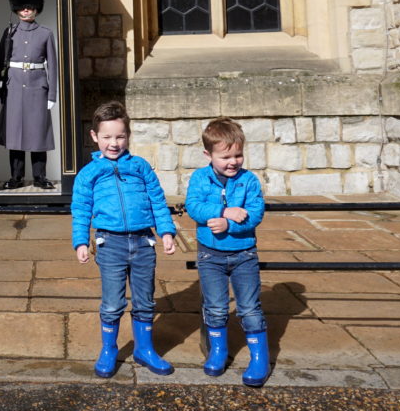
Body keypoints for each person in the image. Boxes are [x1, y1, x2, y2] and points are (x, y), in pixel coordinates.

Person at [71, 101, 177, 378]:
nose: (114, 143)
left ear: (128, 136)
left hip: (143, 242)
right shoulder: (88, 174)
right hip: (110, 244)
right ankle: (109, 349)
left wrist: (166, 231)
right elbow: (80, 210)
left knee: (145, 300)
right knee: (112, 303)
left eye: (120, 136)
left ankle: (144, 349)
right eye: (106, 137)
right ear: (95, 137)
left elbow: (157, 200)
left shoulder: (140, 167)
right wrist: (81, 241)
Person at [184, 117, 269, 386]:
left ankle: (260, 357)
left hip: (244, 255)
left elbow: (255, 213)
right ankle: (218, 351)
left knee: (249, 308)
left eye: (238, 155)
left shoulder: (249, 180)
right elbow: (193, 206)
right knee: (216, 307)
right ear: (208, 155)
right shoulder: (200, 177)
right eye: (226, 156)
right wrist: (222, 211)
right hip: (211, 256)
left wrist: (229, 224)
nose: (233, 162)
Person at [0, 0, 57, 190]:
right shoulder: (9, 33)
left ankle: (40, 177)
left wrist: (52, 95)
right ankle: (16, 177)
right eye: (22, 6)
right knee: (15, 136)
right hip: (14, 90)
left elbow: (53, 67)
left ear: (36, 7)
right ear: (16, 8)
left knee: (38, 135)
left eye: (30, 6)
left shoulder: (45, 34)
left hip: (38, 89)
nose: (26, 10)